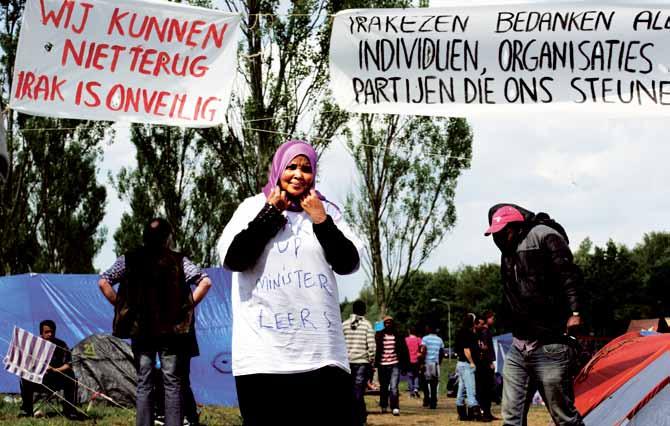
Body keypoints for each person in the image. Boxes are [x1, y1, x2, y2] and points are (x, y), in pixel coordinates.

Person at [217, 140, 363, 426]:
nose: (298, 175)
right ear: (278, 168)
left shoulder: (326, 210)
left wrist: (321, 220)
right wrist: (271, 213)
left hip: (321, 355)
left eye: (306, 169)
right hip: (263, 356)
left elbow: (348, 263)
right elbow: (234, 259)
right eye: (291, 167)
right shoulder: (252, 207)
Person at [98, 218, 212, 426]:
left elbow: (103, 281)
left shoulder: (128, 259)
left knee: (144, 382)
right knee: (172, 383)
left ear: (144, 236)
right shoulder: (178, 260)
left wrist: (121, 307)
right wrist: (187, 306)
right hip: (172, 331)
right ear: (168, 237)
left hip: (141, 330)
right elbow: (205, 281)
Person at [484, 204, 584, 426]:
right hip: (519, 346)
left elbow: (569, 275)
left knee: (563, 416)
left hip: (551, 344)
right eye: (495, 235)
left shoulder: (544, 236)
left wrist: (575, 311)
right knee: (511, 417)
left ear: (516, 227)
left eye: (502, 233)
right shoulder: (507, 252)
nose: (498, 239)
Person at [18, 320, 82, 420]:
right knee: (24, 376)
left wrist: (55, 370)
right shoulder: (34, 345)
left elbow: (68, 365)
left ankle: (70, 411)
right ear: (41, 333)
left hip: (57, 378)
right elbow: (27, 363)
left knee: (70, 374)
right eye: (47, 332)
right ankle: (27, 410)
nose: (50, 334)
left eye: (52, 332)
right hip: (39, 380)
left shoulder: (61, 345)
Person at [342, 300, 376, 426]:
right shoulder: (367, 325)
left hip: (346, 362)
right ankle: (361, 417)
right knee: (358, 391)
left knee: (349, 391)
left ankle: (353, 417)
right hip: (362, 362)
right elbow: (371, 346)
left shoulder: (344, 325)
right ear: (364, 310)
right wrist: (371, 360)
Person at [375, 316, 409, 416]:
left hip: (395, 364)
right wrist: (374, 364)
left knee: (394, 387)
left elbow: (404, 351)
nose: (388, 324)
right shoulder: (379, 335)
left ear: (392, 324)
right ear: (384, 324)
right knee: (384, 387)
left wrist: (405, 366)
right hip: (382, 365)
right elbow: (376, 349)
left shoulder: (398, 335)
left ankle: (395, 407)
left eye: (390, 322)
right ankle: (384, 405)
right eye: (386, 323)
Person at [455, 313, 482, 421]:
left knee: (461, 389)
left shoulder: (460, 332)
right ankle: (475, 412)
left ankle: (462, 413)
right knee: (471, 389)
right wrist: (472, 362)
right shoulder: (468, 333)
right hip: (467, 364)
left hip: (460, 363)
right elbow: (466, 349)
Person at [476, 311, 497, 422]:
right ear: (487, 319)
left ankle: (488, 412)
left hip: (485, 364)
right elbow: (485, 349)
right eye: (492, 318)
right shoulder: (484, 332)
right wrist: (490, 362)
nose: (493, 320)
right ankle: (485, 412)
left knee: (488, 389)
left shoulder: (485, 331)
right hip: (484, 365)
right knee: (485, 389)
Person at [421, 324, 445, 409]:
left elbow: (423, 350)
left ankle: (427, 399)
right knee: (434, 383)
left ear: (428, 329)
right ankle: (433, 401)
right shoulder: (440, 340)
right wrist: (440, 362)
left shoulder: (425, 339)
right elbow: (442, 352)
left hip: (427, 362)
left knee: (426, 382)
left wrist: (422, 362)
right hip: (435, 363)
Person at [404, 326, 422, 399]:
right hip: (417, 359)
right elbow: (422, 348)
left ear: (409, 331)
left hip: (409, 360)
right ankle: (416, 388)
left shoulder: (406, 340)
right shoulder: (418, 339)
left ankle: (411, 392)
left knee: (410, 376)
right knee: (416, 375)